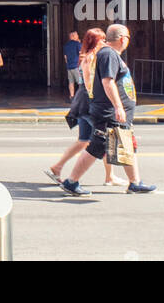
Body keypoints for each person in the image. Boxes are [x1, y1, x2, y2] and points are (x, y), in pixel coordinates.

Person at [61, 24, 156, 196]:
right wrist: (118, 107)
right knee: (98, 146)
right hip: (109, 112)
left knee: (126, 144)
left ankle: (135, 182)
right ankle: (71, 182)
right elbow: (108, 81)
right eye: (127, 37)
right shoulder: (108, 54)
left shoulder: (109, 54)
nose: (128, 40)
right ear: (122, 39)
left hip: (113, 113)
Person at [45, 28, 122, 189]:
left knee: (84, 140)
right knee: (104, 138)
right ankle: (107, 177)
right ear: (97, 41)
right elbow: (98, 83)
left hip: (83, 104)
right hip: (89, 104)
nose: (105, 43)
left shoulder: (86, 57)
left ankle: (58, 167)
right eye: (102, 40)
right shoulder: (92, 58)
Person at [64, 30, 83, 99]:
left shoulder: (66, 45)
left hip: (69, 66)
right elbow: (81, 54)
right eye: (77, 35)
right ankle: (81, 97)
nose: (78, 36)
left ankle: (71, 96)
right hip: (77, 66)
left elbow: (65, 57)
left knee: (71, 82)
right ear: (73, 36)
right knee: (80, 82)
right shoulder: (78, 44)